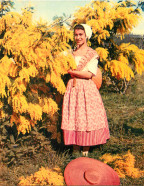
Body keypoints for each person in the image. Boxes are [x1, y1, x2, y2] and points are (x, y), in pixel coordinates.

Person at [61, 24, 110, 157]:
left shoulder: (92, 54)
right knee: (75, 116)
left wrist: (71, 71)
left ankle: (85, 149)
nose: (78, 37)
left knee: (86, 117)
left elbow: (89, 74)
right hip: (73, 87)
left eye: (81, 35)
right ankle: (75, 148)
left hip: (86, 88)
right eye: (76, 35)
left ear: (86, 35)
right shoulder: (70, 53)